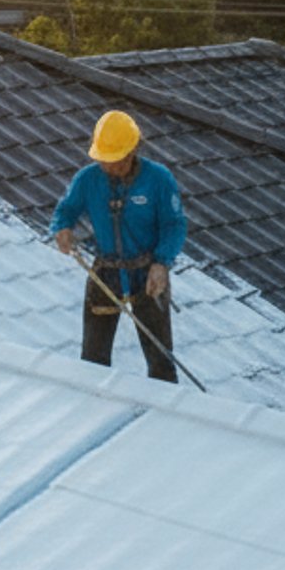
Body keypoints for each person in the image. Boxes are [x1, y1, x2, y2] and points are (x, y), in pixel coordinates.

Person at [51, 109, 187, 383]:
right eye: (105, 161)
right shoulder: (88, 180)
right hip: (106, 273)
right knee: (93, 359)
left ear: (134, 150)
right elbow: (65, 211)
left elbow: (174, 225)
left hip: (148, 273)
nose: (111, 167)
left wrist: (162, 263)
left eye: (117, 161)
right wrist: (62, 229)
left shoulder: (158, 180)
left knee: (161, 359)